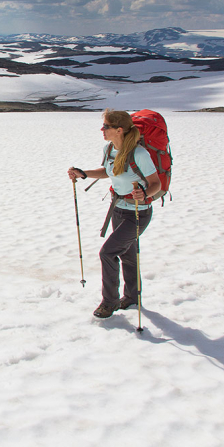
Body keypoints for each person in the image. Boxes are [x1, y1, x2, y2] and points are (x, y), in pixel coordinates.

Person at [67, 110, 161, 318]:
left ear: (119, 130)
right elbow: (107, 172)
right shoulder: (109, 148)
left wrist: (144, 194)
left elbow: (156, 184)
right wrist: (83, 174)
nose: (102, 130)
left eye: (106, 126)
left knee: (107, 253)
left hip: (138, 213)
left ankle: (109, 302)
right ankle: (132, 297)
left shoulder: (139, 154)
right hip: (118, 209)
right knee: (127, 253)